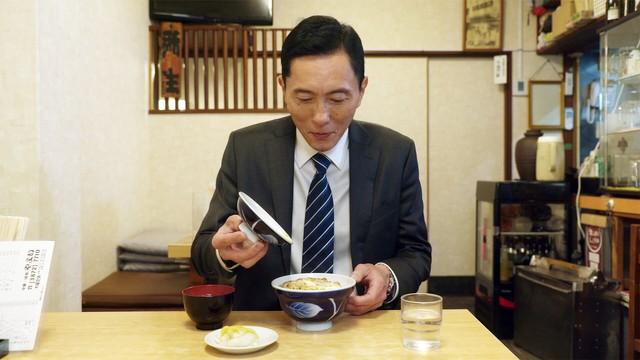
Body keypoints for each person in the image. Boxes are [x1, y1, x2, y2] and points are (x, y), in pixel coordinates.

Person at [191, 15, 431, 314]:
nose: (320, 117)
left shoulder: (394, 153)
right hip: (270, 325)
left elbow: (416, 252)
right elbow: (202, 251)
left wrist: (386, 276)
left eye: (338, 98)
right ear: (282, 87)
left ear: (361, 90)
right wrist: (225, 252)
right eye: (304, 97)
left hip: (361, 325)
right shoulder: (247, 148)